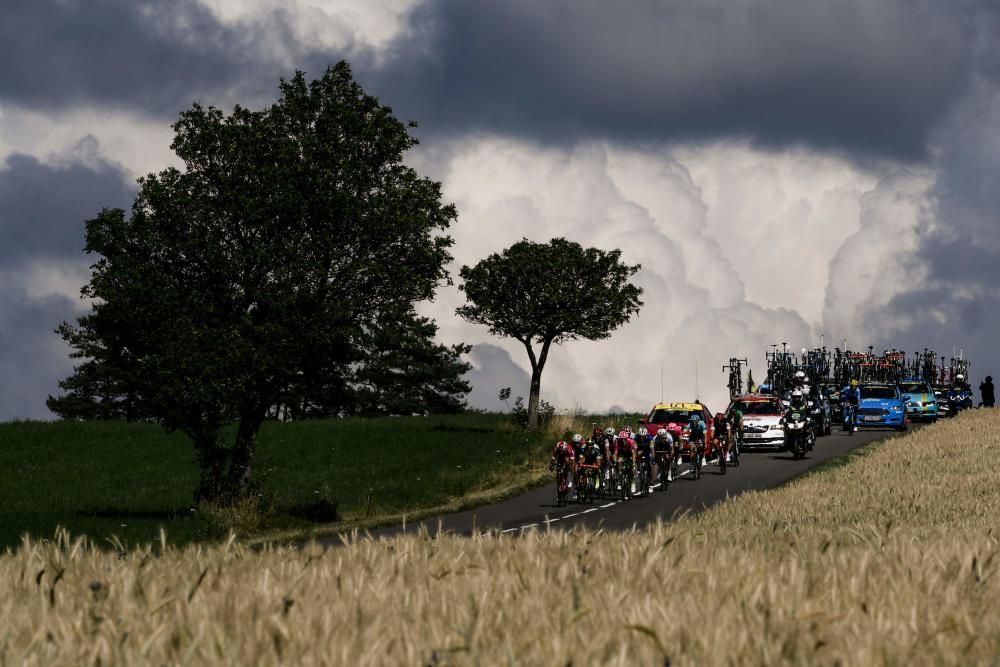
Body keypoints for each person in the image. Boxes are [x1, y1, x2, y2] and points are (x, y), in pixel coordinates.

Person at [634, 426, 655, 493]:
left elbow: (652, 448)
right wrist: (635, 456)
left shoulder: (650, 438)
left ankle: (651, 484)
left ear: (646, 435)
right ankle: (639, 469)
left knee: (650, 465)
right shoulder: (636, 437)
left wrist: (653, 456)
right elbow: (634, 449)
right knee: (637, 454)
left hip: (647, 450)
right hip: (639, 450)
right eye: (641, 436)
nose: (642, 437)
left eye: (643, 436)